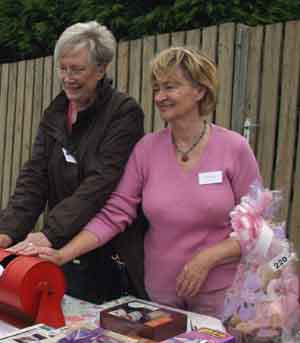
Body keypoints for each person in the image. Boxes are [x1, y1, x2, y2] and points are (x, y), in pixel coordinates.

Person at [11, 47, 261, 318]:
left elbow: (258, 224)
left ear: (200, 91)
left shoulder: (234, 148)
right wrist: (61, 255)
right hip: (160, 299)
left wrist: (208, 258)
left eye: (170, 87)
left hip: (222, 298)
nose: (160, 97)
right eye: (157, 88)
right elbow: (114, 214)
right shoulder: (147, 150)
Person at [0, 21, 146, 303]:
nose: (67, 77)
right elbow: (35, 176)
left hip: (105, 250)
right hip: (60, 244)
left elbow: (100, 183)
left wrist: (50, 233)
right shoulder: (56, 112)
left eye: (77, 69)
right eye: (63, 68)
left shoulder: (123, 113)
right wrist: (8, 231)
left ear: (101, 69)